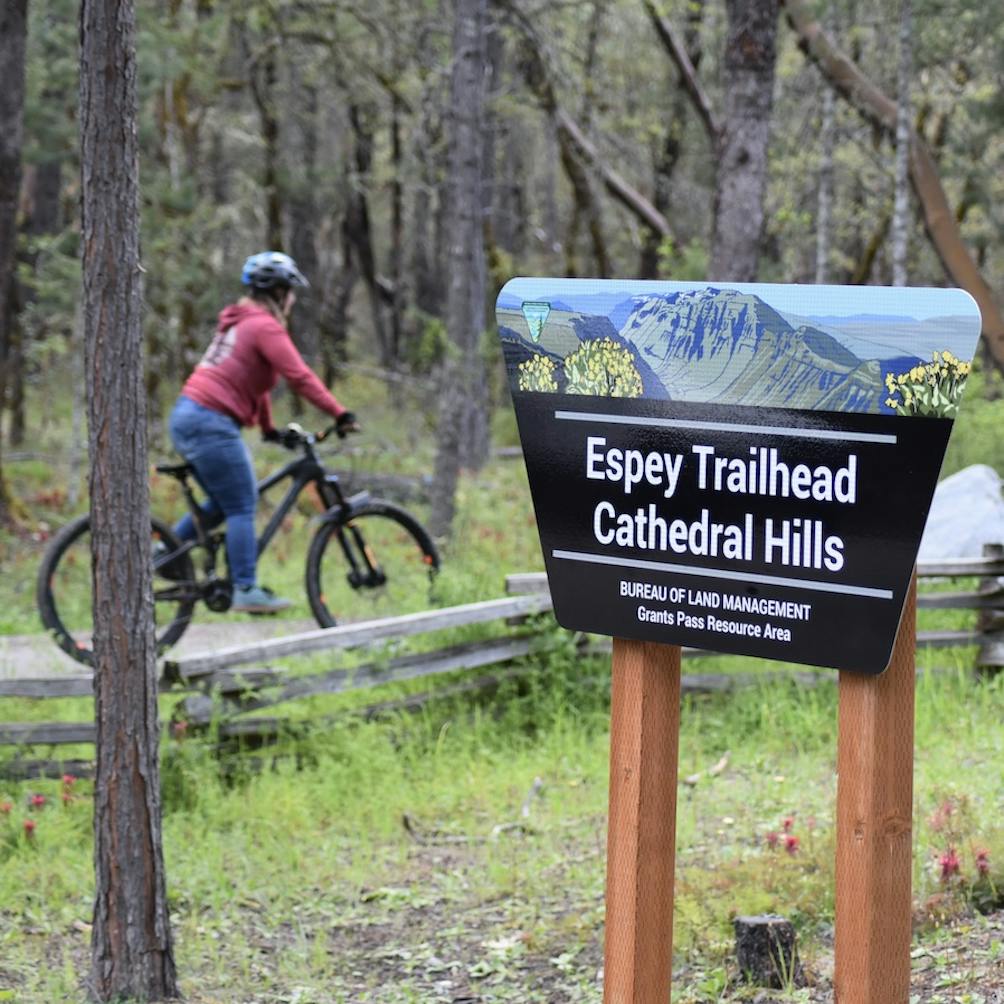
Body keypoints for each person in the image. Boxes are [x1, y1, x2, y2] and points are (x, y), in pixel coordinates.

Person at [166, 251, 357, 613]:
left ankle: (166, 550)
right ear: (278, 292)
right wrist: (340, 412)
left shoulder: (241, 323)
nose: (294, 300)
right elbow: (299, 376)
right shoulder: (264, 326)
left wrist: (269, 430)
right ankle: (244, 588)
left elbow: (255, 382)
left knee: (225, 501)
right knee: (242, 502)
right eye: (291, 291)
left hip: (189, 416)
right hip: (210, 422)